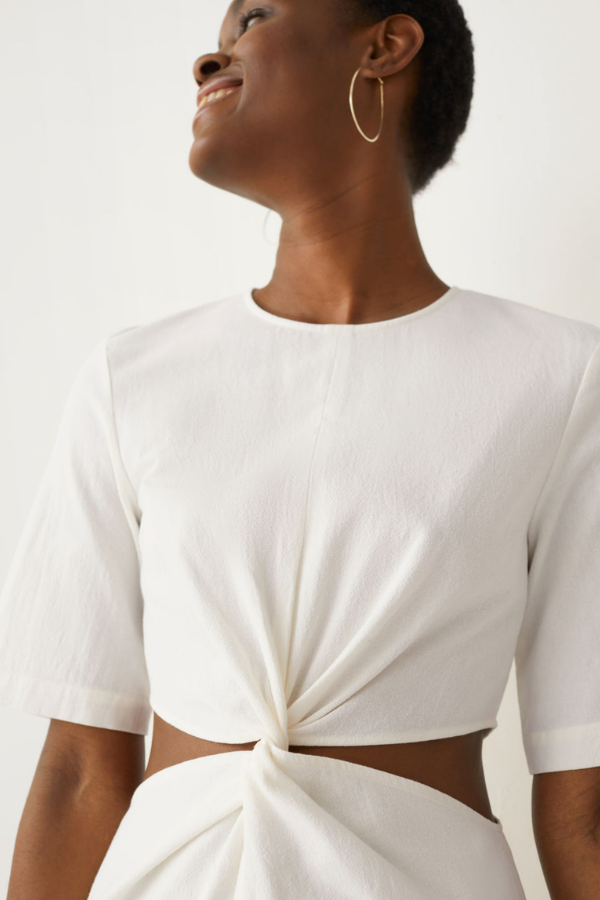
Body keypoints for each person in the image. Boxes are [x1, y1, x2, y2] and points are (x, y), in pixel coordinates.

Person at [1, 0, 599, 897]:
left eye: (253, 16)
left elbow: (585, 794)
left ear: (385, 47)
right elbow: (78, 772)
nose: (210, 59)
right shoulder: (133, 380)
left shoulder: (559, 379)